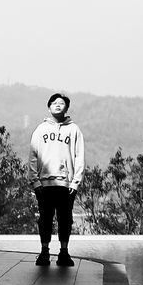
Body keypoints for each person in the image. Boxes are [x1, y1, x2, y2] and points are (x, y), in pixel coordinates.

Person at [28, 92, 85, 267]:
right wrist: (35, 181)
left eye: (61, 103)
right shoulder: (40, 129)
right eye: (54, 103)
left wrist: (75, 182)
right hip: (44, 184)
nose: (57, 105)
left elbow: (79, 156)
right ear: (49, 107)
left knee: (65, 219)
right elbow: (32, 156)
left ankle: (64, 252)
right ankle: (44, 252)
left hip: (66, 184)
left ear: (67, 107)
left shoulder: (74, 130)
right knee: (45, 218)